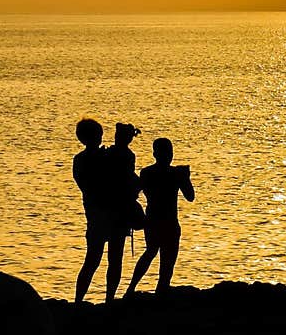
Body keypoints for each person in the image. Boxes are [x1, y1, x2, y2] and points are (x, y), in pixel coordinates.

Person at [124, 138, 195, 297]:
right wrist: (186, 178)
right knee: (166, 259)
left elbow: (135, 191)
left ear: (154, 154)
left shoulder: (147, 173)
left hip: (153, 221)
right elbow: (190, 196)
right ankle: (160, 290)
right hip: (168, 222)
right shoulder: (176, 174)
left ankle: (132, 289)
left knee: (151, 252)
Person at [73, 118, 126, 303]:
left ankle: (79, 301)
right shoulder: (101, 158)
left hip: (96, 215)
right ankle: (107, 300)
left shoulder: (80, 160)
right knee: (107, 259)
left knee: (95, 260)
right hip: (108, 214)